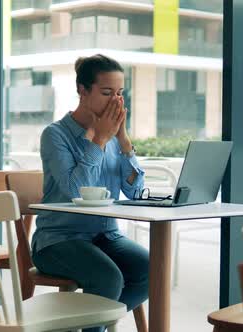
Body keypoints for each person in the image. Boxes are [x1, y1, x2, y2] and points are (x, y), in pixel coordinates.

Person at [33, 54, 148, 332]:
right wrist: (98, 139)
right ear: (82, 91)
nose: (115, 101)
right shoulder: (55, 135)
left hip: (106, 236)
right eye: (107, 92)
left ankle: (87, 324)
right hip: (58, 240)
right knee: (109, 277)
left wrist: (123, 142)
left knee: (150, 269)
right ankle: (90, 324)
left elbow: (134, 192)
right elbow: (75, 190)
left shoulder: (113, 137)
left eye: (120, 93)